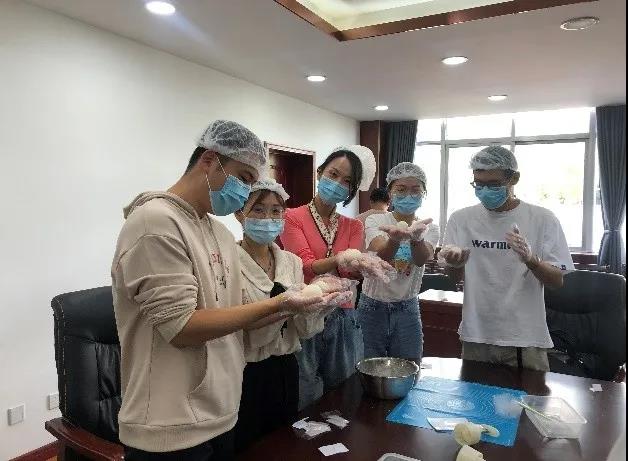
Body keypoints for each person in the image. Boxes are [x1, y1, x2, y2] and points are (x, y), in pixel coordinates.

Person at [111, 120, 324, 461]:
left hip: (222, 412)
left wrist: (305, 304)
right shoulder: (155, 222)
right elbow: (181, 327)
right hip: (171, 427)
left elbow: (238, 319)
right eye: (244, 178)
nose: (244, 191)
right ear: (209, 160)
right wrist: (279, 303)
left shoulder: (219, 233)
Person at [441, 146, 574, 371]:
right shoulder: (461, 219)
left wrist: (531, 260)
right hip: (477, 334)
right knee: (474, 394)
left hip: (525, 338)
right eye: (479, 184)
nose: (485, 191)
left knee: (529, 395)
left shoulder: (542, 219)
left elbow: (556, 281)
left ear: (514, 179)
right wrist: (455, 264)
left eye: (493, 184)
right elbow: (454, 278)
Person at [233, 178, 339, 452]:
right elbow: (236, 325)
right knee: (249, 446)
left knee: (283, 443)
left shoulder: (291, 262)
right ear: (239, 214)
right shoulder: (228, 262)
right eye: (258, 210)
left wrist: (320, 306)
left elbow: (303, 329)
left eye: (276, 211)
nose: (267, 218)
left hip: (286, 366)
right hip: (245, 371)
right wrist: (286, 306)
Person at [280, 145, 378, 409]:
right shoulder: (291, 217)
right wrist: (339, 259)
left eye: (347, 181)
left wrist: (365, 265)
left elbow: (349, 272)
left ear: (352, 189)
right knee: (304, 391)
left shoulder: (353, 225)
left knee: (345, 391)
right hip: (306, 311)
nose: (337, 184)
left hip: (343, 314)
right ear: (320, 172)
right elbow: (304, 265)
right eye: (333, 174)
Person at [358, 162, 439, 362]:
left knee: (409, 365)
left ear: (424, 194)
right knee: (367, 365)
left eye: (415, 190)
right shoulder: (376, 221)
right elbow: (382, 253)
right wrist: (394, 239)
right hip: (372, 306)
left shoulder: (429, 227)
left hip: (407, 307)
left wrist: (417, 238)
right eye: (401, 189)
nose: (408, 195)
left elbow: (421, 260)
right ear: (390, 193)